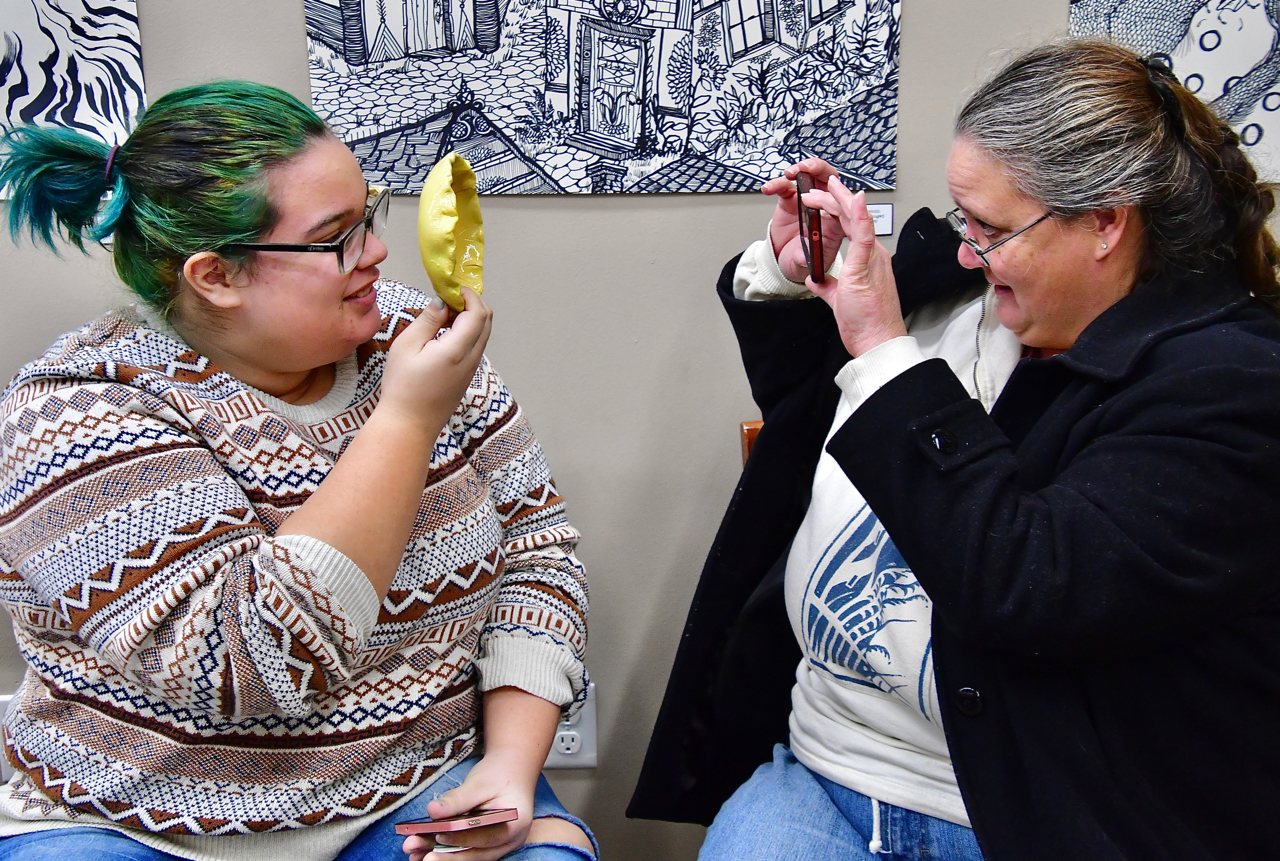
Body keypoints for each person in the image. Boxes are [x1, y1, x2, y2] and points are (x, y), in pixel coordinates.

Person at [630, 39, 1280, 861]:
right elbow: (814, 413)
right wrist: (806, 276)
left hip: (1036, 808)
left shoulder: (1234, 380)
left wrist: (881, 345)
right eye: (963, 217)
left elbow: (1027, 579)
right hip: (827, 768)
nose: (968, 248)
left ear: (1108, 222)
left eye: (994, 228)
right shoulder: (963, 288)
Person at [0, 81, 596, 861]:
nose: (378, 253)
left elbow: (537, 553)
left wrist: (510, 768)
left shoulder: (408, 340)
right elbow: (247, 668)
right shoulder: (75, 414)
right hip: (133, 821)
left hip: (410, 789)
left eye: (370, 215)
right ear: (215, 275)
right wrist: (407, 421)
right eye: (337, 236)